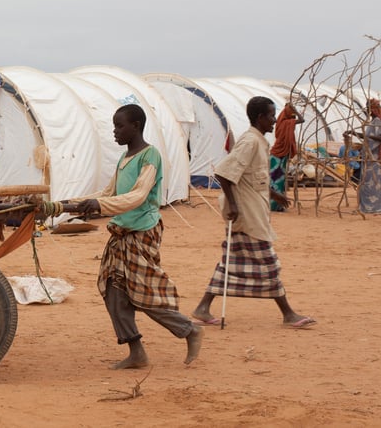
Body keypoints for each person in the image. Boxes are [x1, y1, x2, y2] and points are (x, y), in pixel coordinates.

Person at [64, 104, 203, 370]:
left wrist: (100, 206)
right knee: (113, 292)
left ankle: (189, 330)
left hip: (142, 233)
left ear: (136, 126)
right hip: (122, 233)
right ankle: (136, 351)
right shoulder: (124, 159)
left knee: (143, 294)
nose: (114, 131)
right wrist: (67, 203)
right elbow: (108, 192)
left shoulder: (150, 156)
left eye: (119, 126)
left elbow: (138, 196)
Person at [192, 96, 316, 329]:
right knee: (268, 263)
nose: (273, 120)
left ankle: (203, 307)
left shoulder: (259, 141)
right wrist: (234, 206)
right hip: (247, 215)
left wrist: (273, 194)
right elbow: (224, 174)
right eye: (270, 116)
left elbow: (251, 176)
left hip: (254, 211)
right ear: (260, 118)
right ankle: (288, 313)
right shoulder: (250, 142)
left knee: (230, 264)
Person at [345, 99, 381, 214]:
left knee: (373, 183)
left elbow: (376, 137)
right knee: (366, 182)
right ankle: (367, 206)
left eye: (370, 110)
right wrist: (352, 132)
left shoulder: (378, 122)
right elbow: (367, 136)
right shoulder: (373, 122)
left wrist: (369, 139)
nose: (368, 112)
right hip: (368, 158)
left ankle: (373, 207)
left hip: (374, 158)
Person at [268, 103, 304, 211]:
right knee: (276, 181)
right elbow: (302, 120)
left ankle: (277, 205)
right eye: (291, 113)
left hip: (278, 156)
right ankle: (274, 205)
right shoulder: (286, 123)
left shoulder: (281, 122)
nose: (293, 116)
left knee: (278, 181)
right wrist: (297, 112)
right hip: (278, 156)